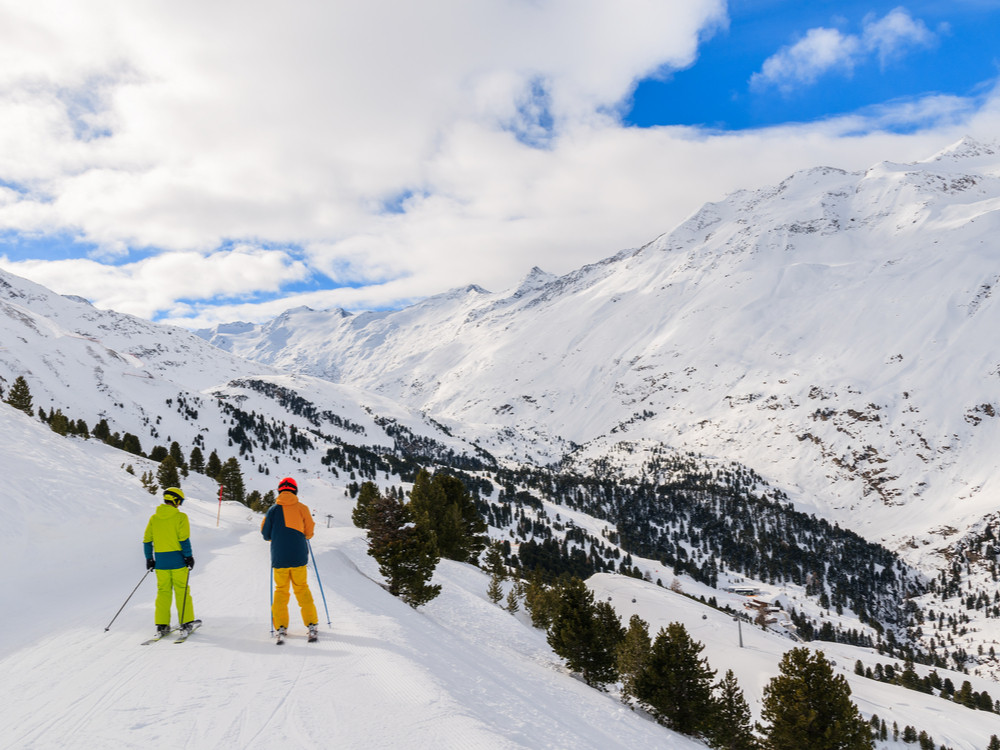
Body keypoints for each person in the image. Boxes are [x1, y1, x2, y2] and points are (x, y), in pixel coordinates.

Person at [262, 477, 318, 640]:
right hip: (299, 556)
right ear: (295, 490)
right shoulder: (302, 508)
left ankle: (280, 626)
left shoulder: (272, 510)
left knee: (281, 591)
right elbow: (309, 532)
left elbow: (265, 534)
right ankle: (311, 624)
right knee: (302, 589)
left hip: (279, 558)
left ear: (280, 491)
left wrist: (277, 537)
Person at [143, 487, 196, 635]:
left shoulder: (154, 518)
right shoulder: (180, 517)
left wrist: (149, 559)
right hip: (178, 561)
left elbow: (147, 541)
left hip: (161, 563)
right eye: (181, 502)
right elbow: (183, 539)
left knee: (163, 592)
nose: (180, 505)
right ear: (176, 500)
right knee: (182, 590)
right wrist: (189, 556)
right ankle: (185, 623)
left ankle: (162, 625)